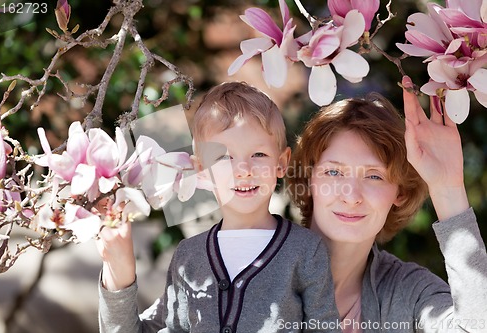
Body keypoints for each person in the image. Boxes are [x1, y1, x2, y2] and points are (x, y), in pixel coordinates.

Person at [97, 81, 341, 332]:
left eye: (258, 155)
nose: (243, 170)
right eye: (224, 157)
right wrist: (118, 274)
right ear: (201, 170)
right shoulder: (188, 256)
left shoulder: (305, 250)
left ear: (281, 163)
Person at [286, 76, 487, 332]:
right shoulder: (258, 266)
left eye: (374, 176)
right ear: (309, 178)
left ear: (399, 193)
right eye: (334, 173)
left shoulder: (409, 292)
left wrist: (448, 187)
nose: (351, 195)